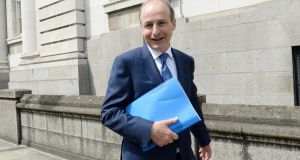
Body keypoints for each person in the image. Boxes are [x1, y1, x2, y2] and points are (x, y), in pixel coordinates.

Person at [101, 0, 212, 160]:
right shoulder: (126, 63)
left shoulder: (186, 61)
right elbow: (109, 113)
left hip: (184, 154)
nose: (155, 31)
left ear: (173, 23)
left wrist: (204, 140)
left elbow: (191, 103)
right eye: (148, 25)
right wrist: (149, 130)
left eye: (161, 23)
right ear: (141, 28)